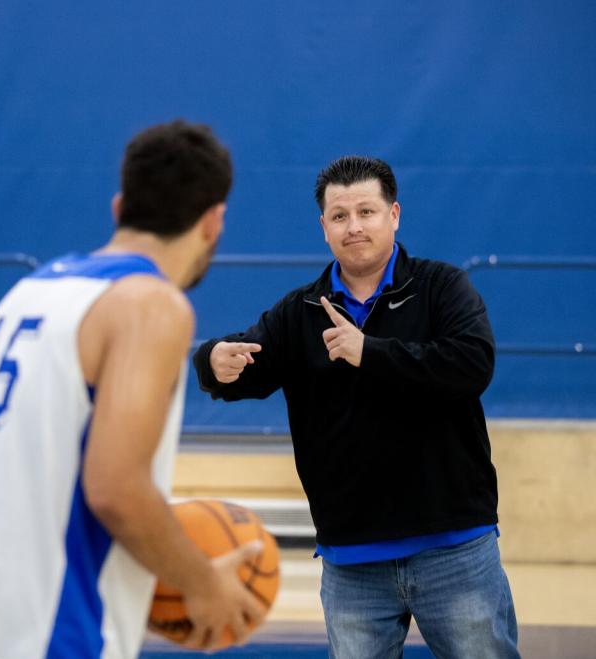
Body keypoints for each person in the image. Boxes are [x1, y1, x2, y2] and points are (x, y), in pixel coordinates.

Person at [0, 120, 265, 658]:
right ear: (213, 222)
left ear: (119, 208)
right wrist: (202, 583)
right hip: (45, 636)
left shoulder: (27, 292)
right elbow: (116, 490)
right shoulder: (152, 304)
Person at [192, 155, 520, 658]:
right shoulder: (300, 310)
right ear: (323, 227)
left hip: (454, 545)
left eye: (366, 212)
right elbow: (246, 362)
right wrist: (213, 361)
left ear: (394, 215)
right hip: (351, 560)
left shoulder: (442, 287)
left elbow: (470, 365)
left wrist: (370, 352)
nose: (354, 226)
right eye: (340, 216)